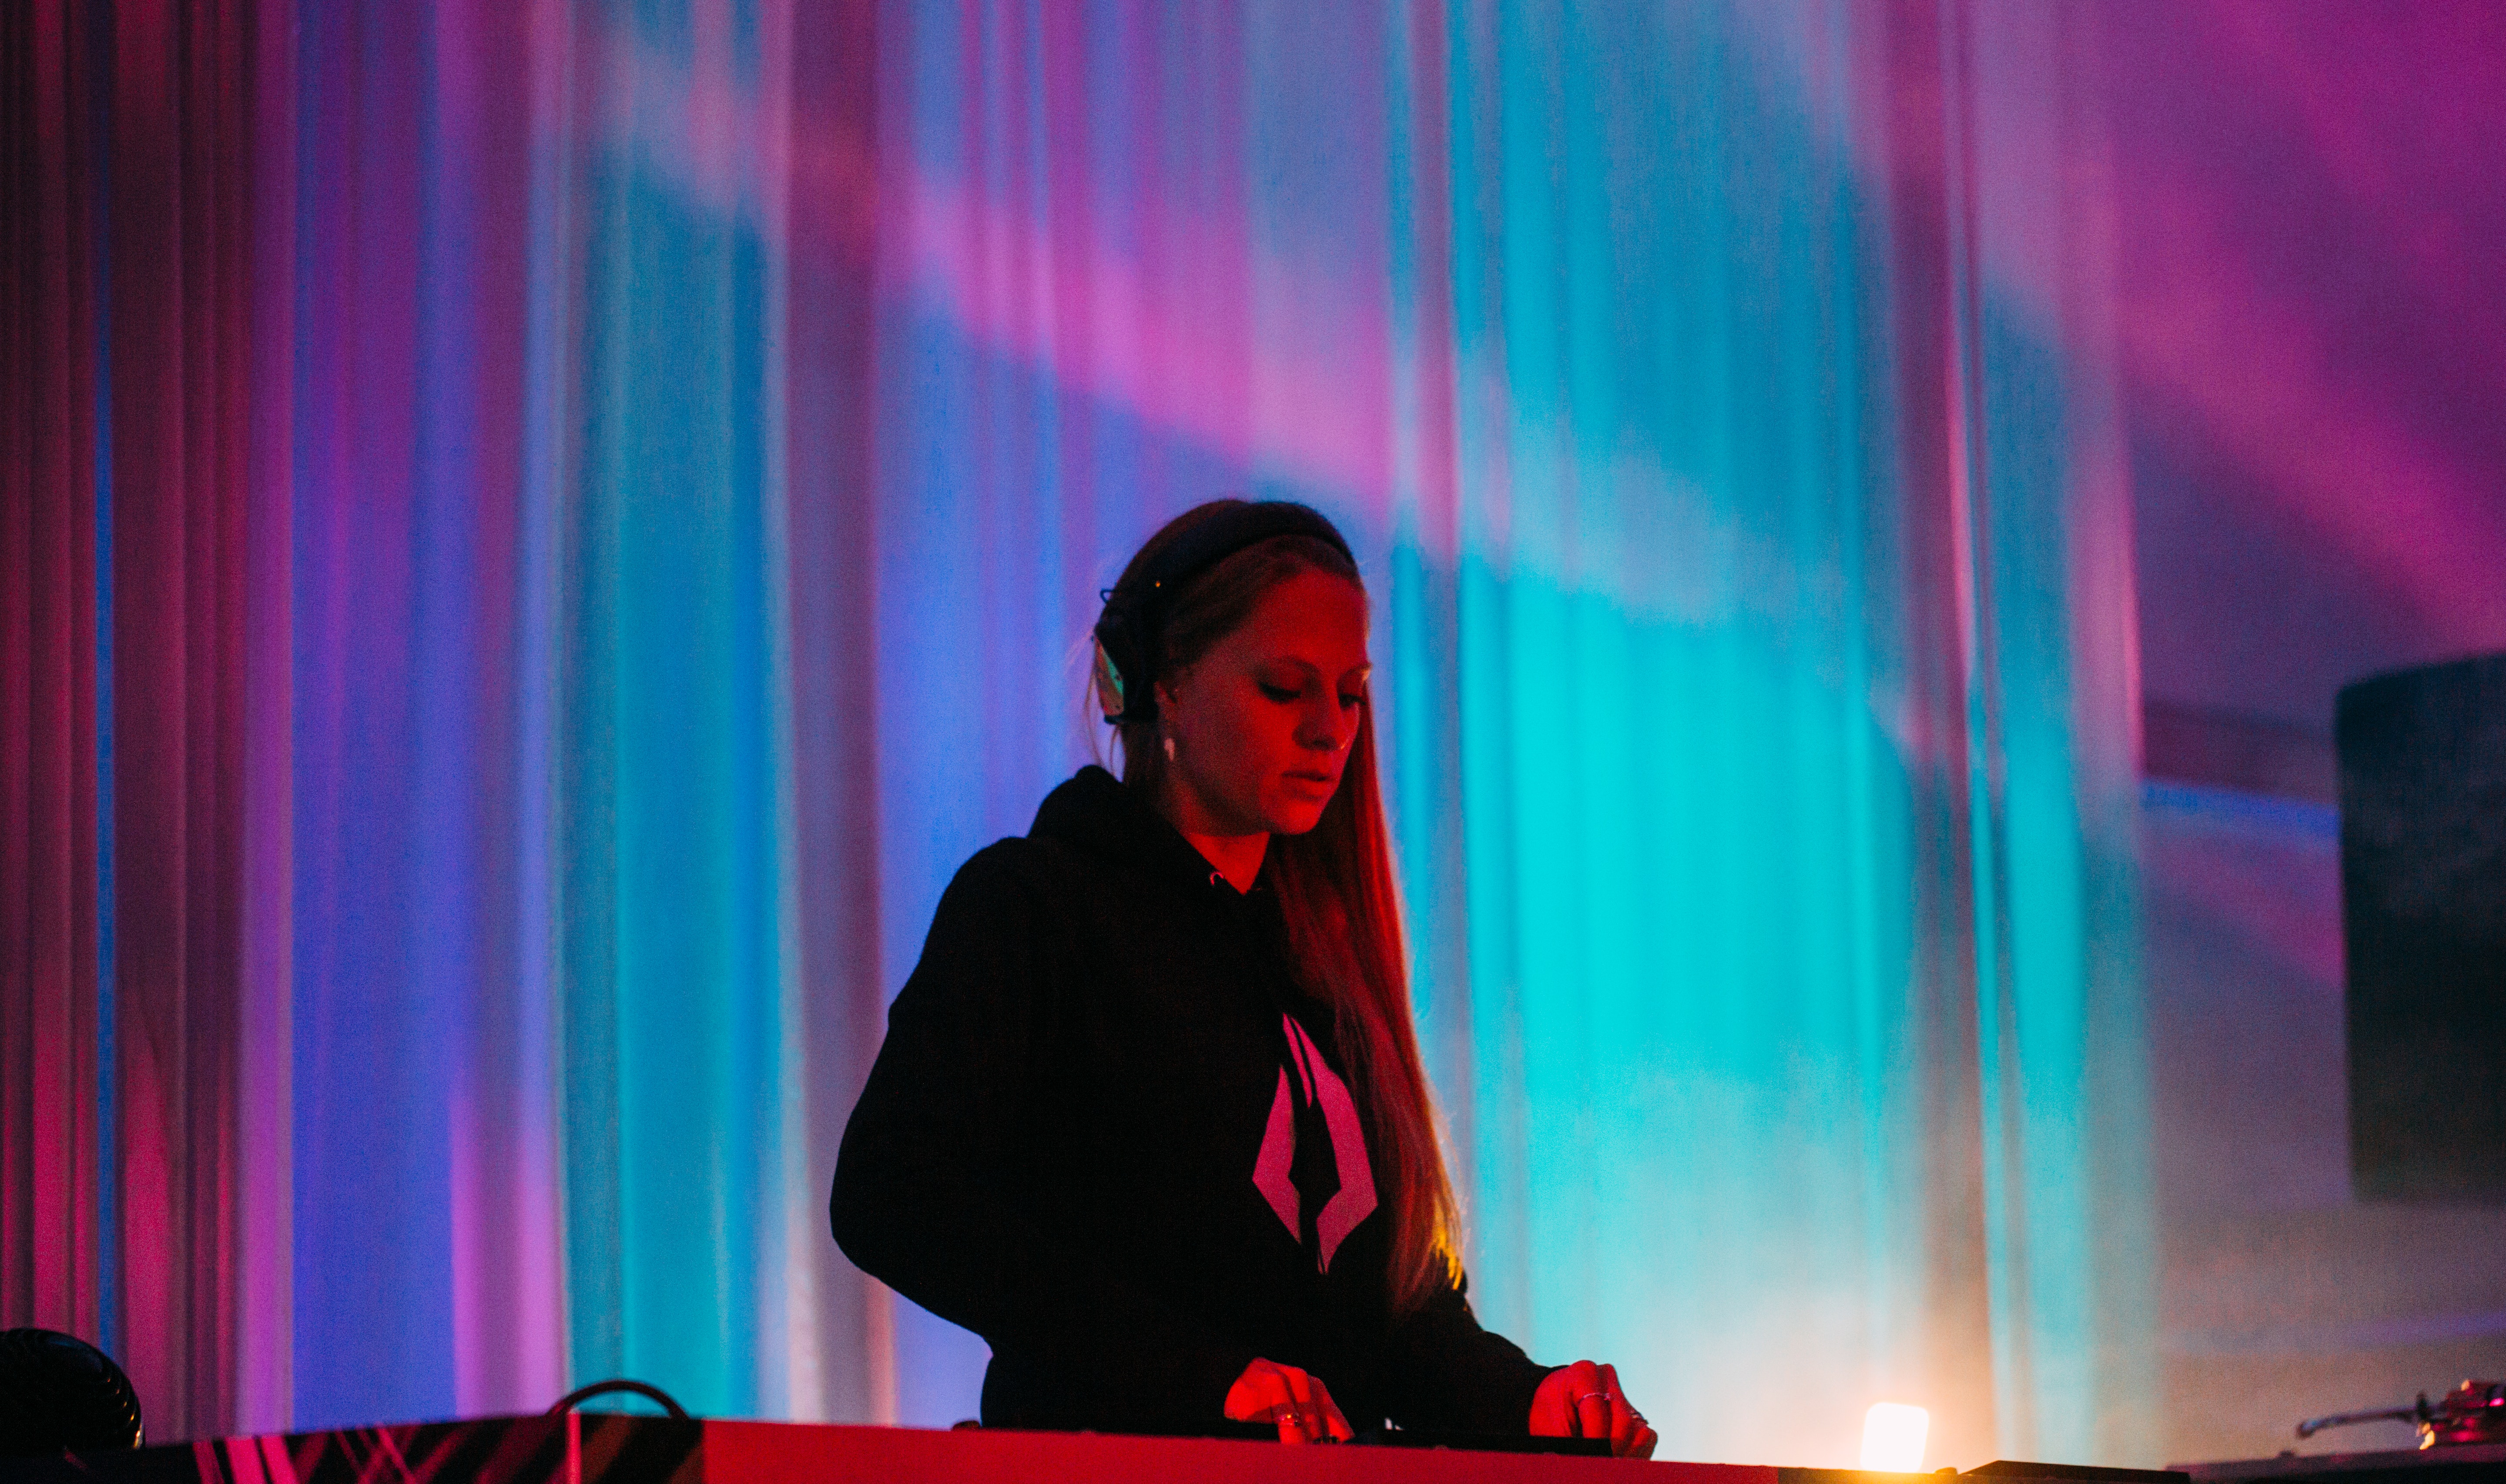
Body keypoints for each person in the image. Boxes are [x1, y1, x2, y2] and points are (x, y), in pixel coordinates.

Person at [831, 499, 1655, 1455]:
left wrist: (1528, 1398)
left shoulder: (1324, 965)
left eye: (1350, 693)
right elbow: (894, 1190)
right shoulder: (1035, 906)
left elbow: (1390, 1320)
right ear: (1162, 688)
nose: (1329, 731)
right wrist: (1197, 1376)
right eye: (1283, 687)